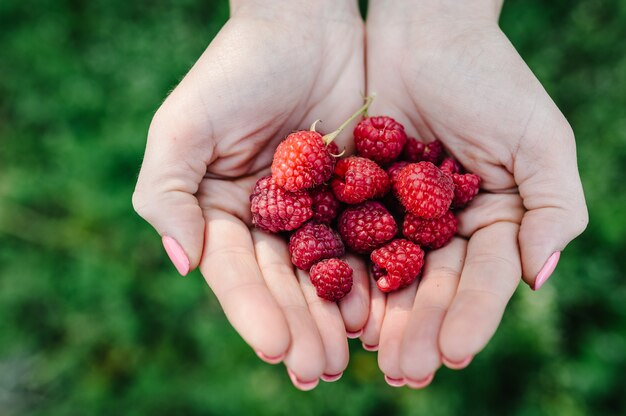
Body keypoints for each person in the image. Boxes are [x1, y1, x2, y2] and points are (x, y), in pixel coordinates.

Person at [132, 0, 588, 391]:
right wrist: (281, 16)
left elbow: (391, 207)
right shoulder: (331, 199)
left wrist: (445, 21)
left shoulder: (394, 190)